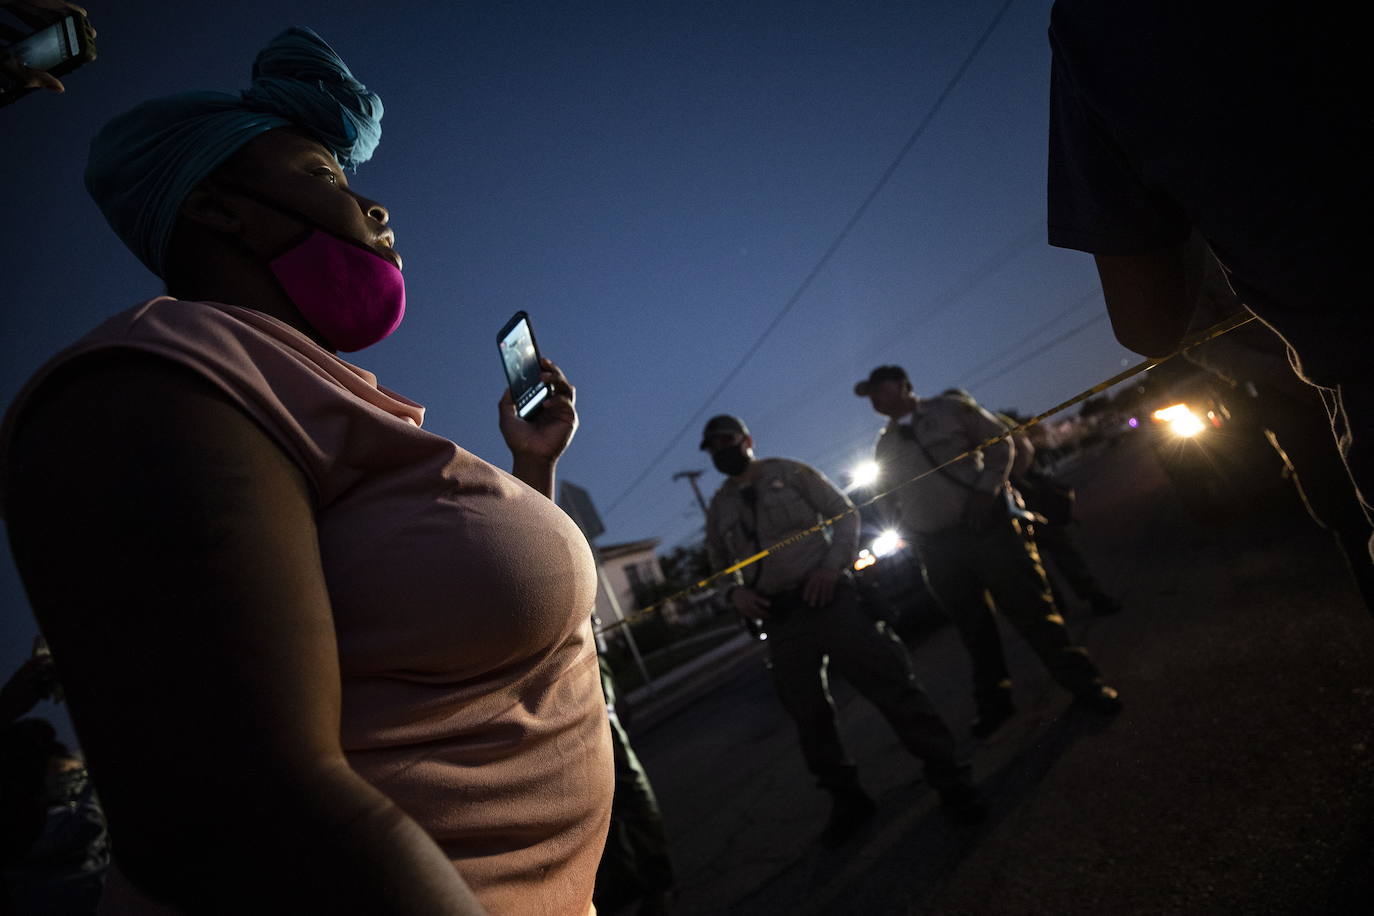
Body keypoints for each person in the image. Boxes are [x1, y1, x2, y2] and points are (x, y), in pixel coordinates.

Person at [0, 27, 611, 915]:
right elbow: (241, 813)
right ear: (220, 209)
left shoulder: (330, 395)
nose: (377, 208)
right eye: (325, 175)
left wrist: (531, 466)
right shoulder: (150, 378)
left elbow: (462, 631)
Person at [1046, 1, 1372, 559]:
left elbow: (1147, 324)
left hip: (1346, 357)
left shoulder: (1099, 26)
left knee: (1339, 503)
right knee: (1330, 497)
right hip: (1288, 380)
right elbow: (1199, 343)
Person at [699, 414, 984, 846]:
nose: (722, 451)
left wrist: (833, 568)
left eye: (727, 441)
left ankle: (950, 778)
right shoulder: (720, 506)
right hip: (780, 619)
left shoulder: (790, 472)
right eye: (714, 447)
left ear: (747, 440)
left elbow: (844, 513)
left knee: (891, 684)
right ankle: (848, 800)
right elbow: (718, 565)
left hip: (830, 600)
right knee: (808, 716)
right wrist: (733, 594)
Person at [856, 367, 1122, 738]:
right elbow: (886, 498)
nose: (874, 398)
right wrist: (911, 535)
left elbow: (1002, 444)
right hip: (938, 550)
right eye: (869, 394)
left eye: (879, 389)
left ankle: (1086, 685)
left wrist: (987, 491)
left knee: (1033, 611)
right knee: (973, 631)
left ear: (903, 385)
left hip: (986, 532)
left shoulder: (950, 409)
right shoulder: (885, 445)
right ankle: (995, 703)